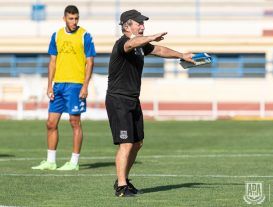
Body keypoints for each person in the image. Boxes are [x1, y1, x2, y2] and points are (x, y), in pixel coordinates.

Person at [105, 9, 196, 197]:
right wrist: (151, 37)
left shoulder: (140, 45)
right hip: (118, 99)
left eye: (142, 23)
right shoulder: (123, 43)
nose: (142, 26)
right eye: (139, 23)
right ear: (127, 26)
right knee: (126, 144)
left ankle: (124, 180)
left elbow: (159, 50)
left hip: (132, 99)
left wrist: (182, 55)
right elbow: (132, 43)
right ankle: (121, 187)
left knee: (137, 143)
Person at [32, 5, 96, 171]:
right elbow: (52, 61)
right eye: (71, 18)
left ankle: (74, 162)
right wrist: (49, 85)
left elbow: (90, 62)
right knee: (51, 123)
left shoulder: (85, 36)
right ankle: (51, 161)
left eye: (76, 18)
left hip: (75, 86)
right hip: (58, 85)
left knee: (74, 122)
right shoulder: (57, 35)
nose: (74, 22)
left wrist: (85, 86)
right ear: (64, 18)